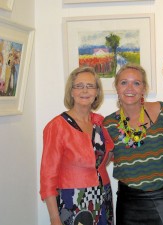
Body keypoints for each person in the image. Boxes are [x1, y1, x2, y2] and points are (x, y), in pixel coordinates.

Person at [103, 63, 163, 225]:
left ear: (144, 88)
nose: (130, 88)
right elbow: (104, 159)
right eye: (124, 82)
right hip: (128, 200)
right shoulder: (108, 124)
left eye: (136, 83)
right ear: (116, 87)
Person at [40, 66, 114, 225]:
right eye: (79, 86)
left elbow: (107, 155)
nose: (84, 91)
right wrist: (54, 217)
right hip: (73, 200)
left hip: (103, 196)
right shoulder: (57, 126)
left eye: (90, 86)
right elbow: (47, 177)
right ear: (71, 91)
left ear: (97, 92)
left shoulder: (101, 122)